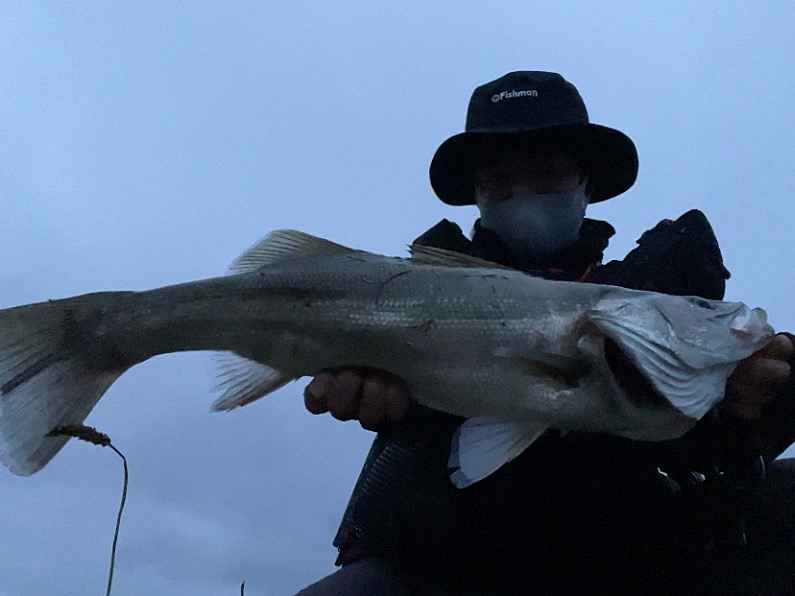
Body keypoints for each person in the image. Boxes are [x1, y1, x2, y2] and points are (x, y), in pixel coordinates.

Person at [296, 71, 795, 595]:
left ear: (586, 185)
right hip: (446, 565)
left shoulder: (650, 307)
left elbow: (730, 450)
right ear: (476, 195)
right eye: (499, 180)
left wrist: (764, 398)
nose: (524, 194)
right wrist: (396, 404)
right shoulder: (419, 293)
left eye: (548, 173)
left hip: (635, 561)